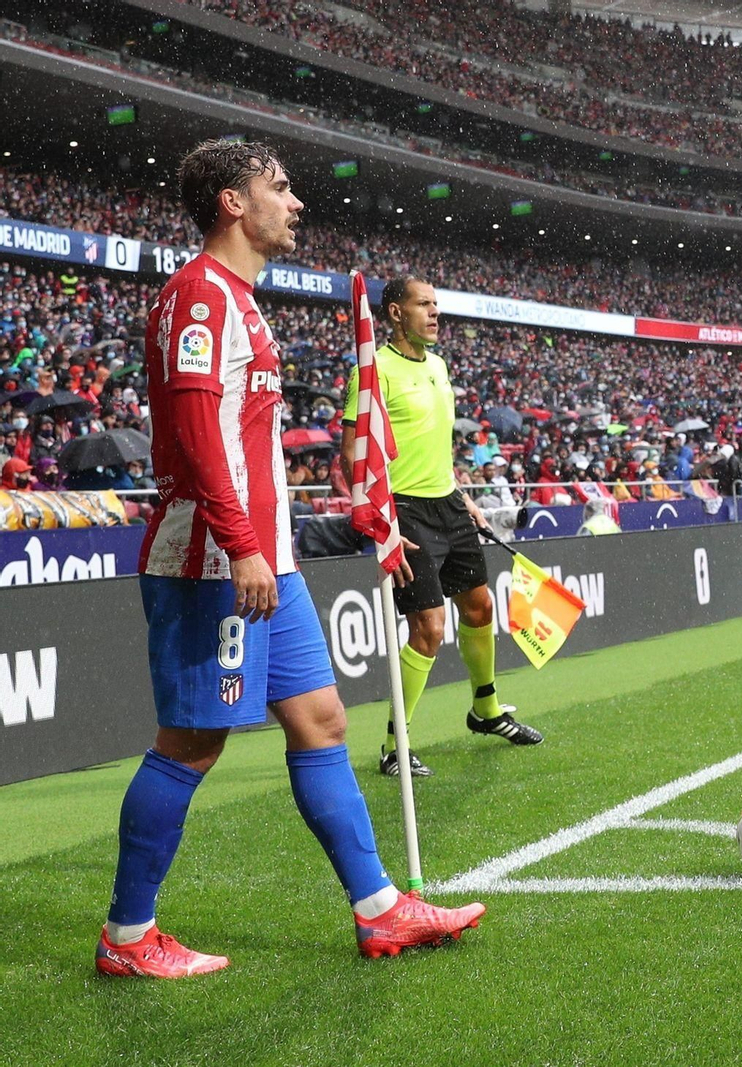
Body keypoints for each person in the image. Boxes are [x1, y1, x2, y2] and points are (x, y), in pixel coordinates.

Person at [98, 139, 484, 980]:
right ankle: (128, 937)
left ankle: (380, 910)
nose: (296, 201)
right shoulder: (201, 297)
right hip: (213, 560)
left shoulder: (241, 299)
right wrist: (243, 547)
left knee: (322, 721)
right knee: (193, 742)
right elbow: (199, 436)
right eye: (279, 187)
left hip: (268, 560)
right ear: (234, 203)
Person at [341, 275, 542, 780]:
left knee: (479, 607)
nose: (434, 313)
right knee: (428, 628)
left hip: (447, 505)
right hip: (404, 512)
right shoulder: (372, 371)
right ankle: (394, 745)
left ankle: (486, 712)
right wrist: (382, 521)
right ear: (394, 313)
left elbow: (435, 447)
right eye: (423, 304)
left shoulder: (439, 365)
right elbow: (352, 455)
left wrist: (463, 499)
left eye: (437, 304)